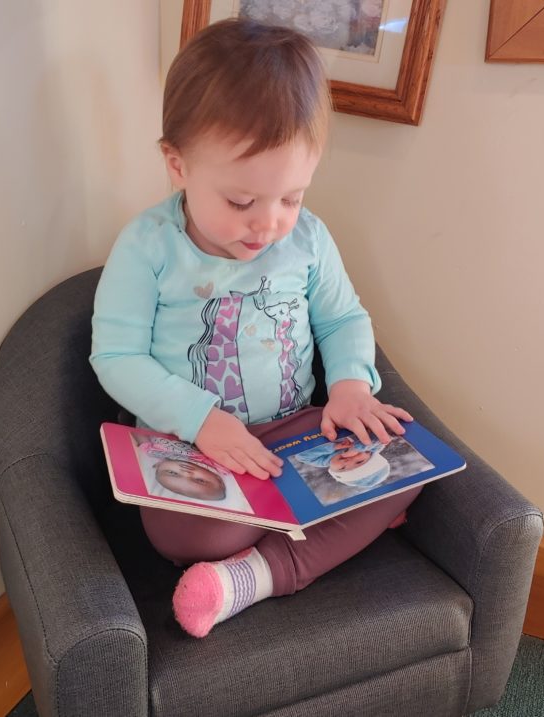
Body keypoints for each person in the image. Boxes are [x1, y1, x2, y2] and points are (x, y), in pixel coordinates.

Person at [90, 18, 420, 638]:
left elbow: (344, 317)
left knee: (403, 472)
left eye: (291, 198)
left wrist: (350, 384)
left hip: (295, 430)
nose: (268, 224)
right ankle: (313, 528)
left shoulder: (310, 241)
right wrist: (201, 421)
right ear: (177, 165)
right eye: (242, 202)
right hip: (192, 447)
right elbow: (116, 357)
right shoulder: (148, 247)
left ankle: (255, 575)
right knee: (186, 533)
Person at [137, 436, 228, 501]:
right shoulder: (218, 464)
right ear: (218, 479)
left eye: (172, 473)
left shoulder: (154, 452)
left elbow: (139, 433)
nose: (186, 473)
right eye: (200, 480)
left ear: (159, 467)